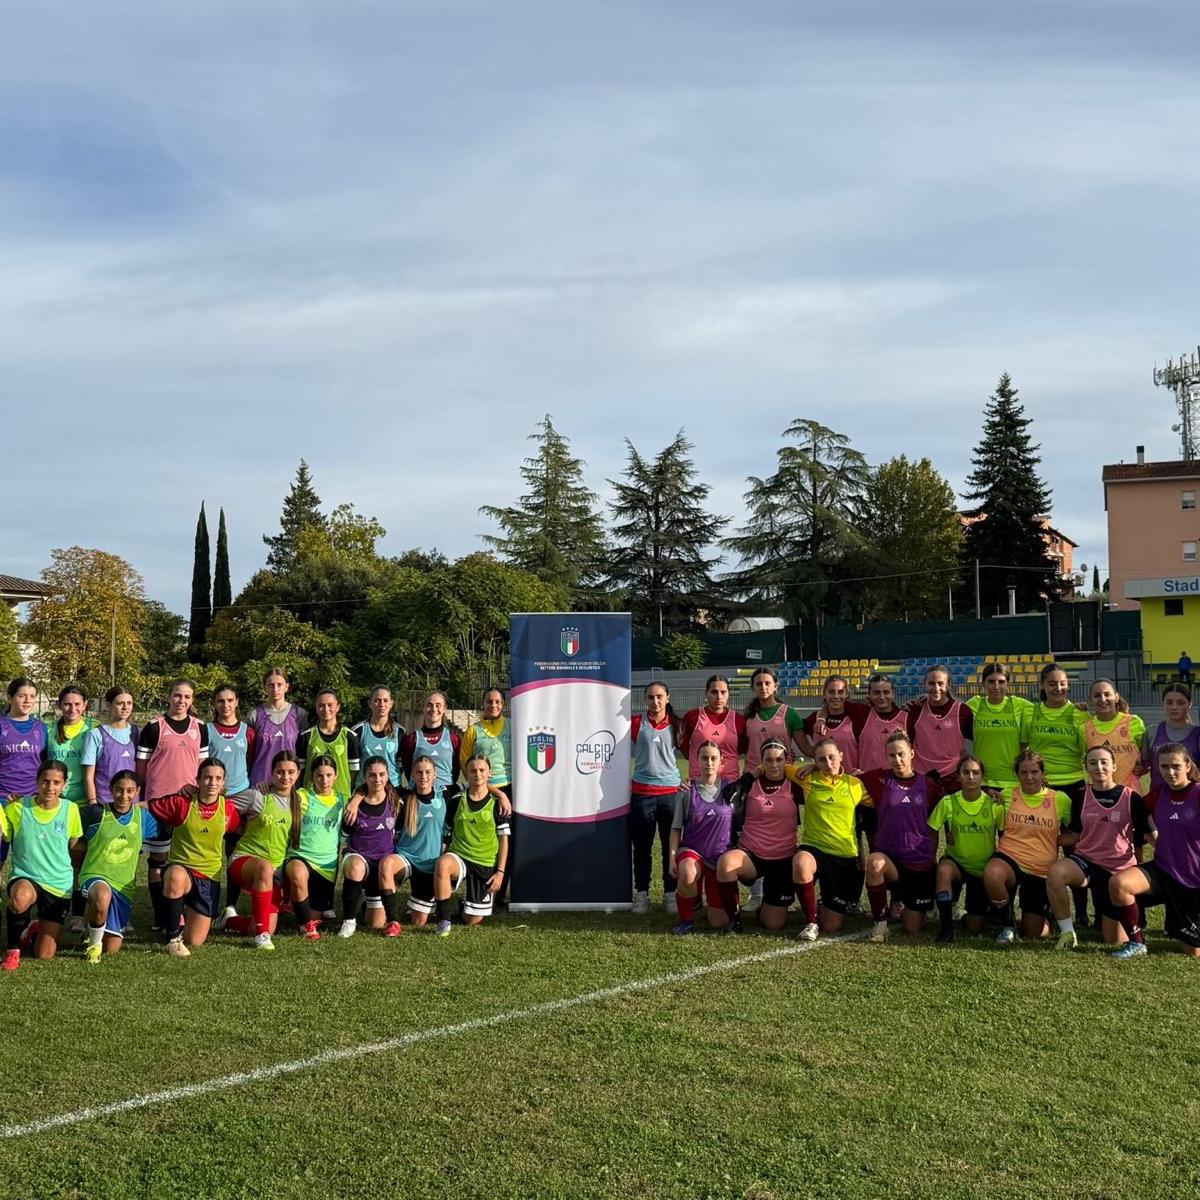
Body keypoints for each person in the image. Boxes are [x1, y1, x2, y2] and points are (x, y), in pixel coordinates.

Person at [1047, 744, 1149, 950]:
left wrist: (1138, 870)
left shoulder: (1132, 798)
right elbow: (1075, 835)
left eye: (1104, 762)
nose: (1099, 767)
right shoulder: (1080, 797)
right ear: (1086, 767)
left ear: (1114, 766)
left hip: (1118, 869)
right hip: (1087, 862)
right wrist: (1043, 837)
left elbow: (1140, 840)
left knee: (1113, 940)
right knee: (1056, 873)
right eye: (1092, 763)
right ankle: (1068, 933)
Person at [1109, 742, 1200, 959]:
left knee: (1193, 952)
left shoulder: (1197, 793)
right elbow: (1133, 812)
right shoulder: (1158, 794)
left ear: (1188, 766)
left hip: (1193, 880)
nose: (1170, 772)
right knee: (1119, 884)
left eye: (1176, 766)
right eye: (1164, 766)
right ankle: (1137, 943)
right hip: (1163, 870)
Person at [137, 678, 209, 933]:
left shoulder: (200, 727)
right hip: (158, 804)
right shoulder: (154, 726)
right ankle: (161, 916)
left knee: (186, 858)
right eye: (177, 696)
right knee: (158, 861)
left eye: (187, 697)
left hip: (187, 805)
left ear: (192, 700)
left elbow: (204, 766)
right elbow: (142, 769)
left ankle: (184, 912)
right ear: (169, 697)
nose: (182, 701)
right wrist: (148, 796)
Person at [148, 757, 240, 956]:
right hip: (182, 869)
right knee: (175, 877)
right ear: (197, 780)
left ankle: (177, 915)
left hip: (209, 877)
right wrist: (113, 808)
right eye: (207, 777)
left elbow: (239, 828)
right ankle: (173, 937)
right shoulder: (182, 803)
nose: (212, 783)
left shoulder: (229, 810)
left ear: (224, 782)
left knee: (195, 941)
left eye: (218, 778)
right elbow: (148, 806)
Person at [1022, 663, 1090, 926]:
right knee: (1043, 848)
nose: (1058, 688)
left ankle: (1082, 912)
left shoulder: (1078, 714)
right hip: (1042, 790)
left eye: (1062, 683)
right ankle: (1045, 906)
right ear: (1042, 685)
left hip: (1074, 787)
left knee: (1077, 849)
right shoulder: (1032, 712)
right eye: (1052, 683)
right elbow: (1025, 749)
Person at [861, 732, 944, 942]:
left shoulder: (928, 786)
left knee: (912, 928)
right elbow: (842, 776)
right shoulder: (879, 779)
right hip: (891, 863)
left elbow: (939, 819)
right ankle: (880, 924)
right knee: (874, 862)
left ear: (912, 754)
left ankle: (917, 903)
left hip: (919, 863)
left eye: (901, 754)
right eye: (891, 756)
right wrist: (814, 766)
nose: (897, 760)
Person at [785, 737, 871, 939]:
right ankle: (811, 922)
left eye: (832, 757)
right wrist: (811, 766)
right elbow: (769, 765)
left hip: (843, 857)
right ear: (815, 761)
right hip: (815, 848)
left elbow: (878, 803)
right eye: (822, 760)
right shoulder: (808, 778)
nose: (828, 763)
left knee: (832, 926)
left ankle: (825, 905)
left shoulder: (855, 785)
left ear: (841, 756)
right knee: (801, 862)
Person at [983, 750, 1072, 944]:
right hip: (1010, 857)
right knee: (992, 874)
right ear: (1017, 774)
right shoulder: (1007, 795)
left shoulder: (1060, 800)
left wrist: (1053, 840)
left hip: (1040, 870)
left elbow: (1075, 833)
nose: (1029, 777)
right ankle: (1007, 925)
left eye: (1034, 772)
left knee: (1033, 933)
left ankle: (1046, 915)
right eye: (1024, 772)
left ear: (1042, 773)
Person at [219, 751, 304, 951]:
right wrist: (231, 825)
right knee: (264, 867)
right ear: (272, 773)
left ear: (298, 774)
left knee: (267, 926)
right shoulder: (258, 796)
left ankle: (228, 921)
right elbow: (224, 806)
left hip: (273, 873)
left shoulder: (299, 801)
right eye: (280, 772)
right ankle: (261, 936)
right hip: (244, 861)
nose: (285, 777)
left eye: (291, 772)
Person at [1, 761, 81, 970]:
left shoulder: (71, 810)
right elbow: (5, 833)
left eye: (56, 782)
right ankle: (12, 950)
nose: (50, 787)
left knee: (44, 955)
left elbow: (72, 843)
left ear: (64, 785)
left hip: (58, 883)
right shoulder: (17, 808)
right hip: (27, 876)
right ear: (37, 782)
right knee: (20, 899)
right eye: (45, 781)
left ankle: (33, 928)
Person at [716, 740, 803, 933]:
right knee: (726, 863)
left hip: (783, 859)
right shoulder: (750, 785)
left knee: (773, 924)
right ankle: (734, 919)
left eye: (779, 760)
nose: (774, 765)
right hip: (752, 855)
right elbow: (726, 795)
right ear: (761, 762)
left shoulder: (795, 786)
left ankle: (766, 905)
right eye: (769, 760)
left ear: (786, 761)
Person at [927, 754, 1004, 942]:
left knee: (974, 927)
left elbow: (1004, 836)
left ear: (982, 777)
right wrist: (931, 857)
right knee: (943, 869)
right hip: (957, 864)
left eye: (975, 773)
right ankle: (946, 928)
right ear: (959, 776)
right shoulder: (948, 802)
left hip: (982, 869)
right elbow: (933, 830)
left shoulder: (994, 804)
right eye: (966, 772)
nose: (971, 777)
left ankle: (973, 914)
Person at [432, 754, 510, 936]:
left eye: (482, 770)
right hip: (460, 856)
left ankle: (463, 905)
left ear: (489, 772)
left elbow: (504, 842)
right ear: (466, 774)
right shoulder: (456, 799)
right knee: (443, 865)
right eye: (473, 770)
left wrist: (500, 873)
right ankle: (443, 920)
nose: (478, 774)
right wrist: (439, 860)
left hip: (484, 862)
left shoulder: (498, 804)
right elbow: (447, 834)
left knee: (472, 920)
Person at [668, 742, 739, 935]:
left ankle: (713, 902)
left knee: (718, 922)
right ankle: (686, 920)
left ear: (721, 762)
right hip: (693, 853)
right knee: (688, 872)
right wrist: (671, 858)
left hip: (720, 859)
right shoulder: (687, 790)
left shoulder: (731, 790)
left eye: (713, 758)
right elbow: (676, 828)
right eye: (704, 758)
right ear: (696, 761)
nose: (709, 762)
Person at [77, 769, 147, 962]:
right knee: (102, 896)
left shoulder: (144, 818)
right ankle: (93, 947)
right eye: (118, 790)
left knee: (112, 949)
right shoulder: (95, 813)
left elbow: (170, 823)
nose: (123, 795)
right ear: (110, 789)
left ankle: (91, 927)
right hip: (95, 875)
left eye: (129, 791)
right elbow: (68, 826)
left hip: (123, 886)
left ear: (137, 791)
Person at [629, 682, 682, 916]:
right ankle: (642, 894)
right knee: (642, 848)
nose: (655, 701)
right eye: (650, 697)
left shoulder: (678, 725)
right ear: (645, 700)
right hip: (642, 794)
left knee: (670, 848)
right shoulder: (635, 723)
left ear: (668, 698)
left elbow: (694, 752)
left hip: (671, 794)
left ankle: (671, 894)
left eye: (660, 696)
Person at [338, 756, 405, 938]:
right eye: (372, 775)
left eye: (382, 774)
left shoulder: (397, 802)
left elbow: (399, 833)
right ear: (365, 777)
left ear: (388, 775)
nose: (377, 779)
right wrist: (356, 799)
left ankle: (363, 901)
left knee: (375, 923)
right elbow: (343, 838)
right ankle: (349, 921)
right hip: (360, 858)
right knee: (356, 866)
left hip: (383, 865)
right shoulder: (353, 807)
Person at [207, 683, 257, 919]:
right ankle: (209, 904)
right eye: (220, 701)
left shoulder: (247, 731)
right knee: (210, 853)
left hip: (240, 800)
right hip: (214, 799)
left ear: (237, 702)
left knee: (234, 853)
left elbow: (251, 761)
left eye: (230, 700)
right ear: (215, 704)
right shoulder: (207, 730)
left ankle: (230, 906)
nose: (225, 705)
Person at [284, 755, 347, 941]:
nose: (324, 780)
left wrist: (358, 798)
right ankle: (307, 928)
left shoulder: (342, 801)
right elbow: (280, 796)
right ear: (312, 777)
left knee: (314, 914)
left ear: (336, 776)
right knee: (298, 873)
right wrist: (265, 786)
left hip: (326, 866)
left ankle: (300, 910)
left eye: (329, 775)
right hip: (299, 856)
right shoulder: (302, 796)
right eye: (319, 776)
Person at [460, 687, 513, 906]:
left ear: (504, 705)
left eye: (497, 702)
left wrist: (504, 794)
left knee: (506, 841)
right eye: (489, 702)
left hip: (509, 791)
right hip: (484, 791)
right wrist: (485, 789)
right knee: (485, 841)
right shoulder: (474, 730)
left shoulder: (512, 726)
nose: (493, 706)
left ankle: (499, 893)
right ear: (483, 705)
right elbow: (465, 763)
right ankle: (479, 888)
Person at [394, 756, 451, 927]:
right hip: (405, 859)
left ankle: (419, 903)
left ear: (435, 774)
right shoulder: (404, 796)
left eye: (427, 772)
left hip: (429, 864)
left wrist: (501, 795)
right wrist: (357, 800)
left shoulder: (445, 794)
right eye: (418, 772)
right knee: (386, 865)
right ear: (412, 774)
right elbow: (373, 784)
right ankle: (381, 905)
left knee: (418, 922)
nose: (423, 776)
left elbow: (476, 784)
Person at [966, 663, 1033, 795]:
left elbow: (1048, 709)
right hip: (981, 782)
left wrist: (1074, 707)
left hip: (1012, 782)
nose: (996, 686)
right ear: (983, 684)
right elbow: (951, 710)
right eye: (991, 681)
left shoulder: (1019, 705)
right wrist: (927, 701)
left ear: (1008, 684)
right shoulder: (974, 705)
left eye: (1001, 682)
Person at [908, 665, 972, 785]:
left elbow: (975, 741)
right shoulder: (914, 709)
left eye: (941, 683)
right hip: (921, 776)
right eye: (931, 683)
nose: (936, 688)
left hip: (953, 777)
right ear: (924, 683)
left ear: (948, 685)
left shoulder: (962, 711)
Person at [678, 675, 748, 785]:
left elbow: (743, 749)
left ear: (728, 694)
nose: (719, 696)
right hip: (699, 782)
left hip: (729, 784)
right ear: (706, 693)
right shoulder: (692, 717)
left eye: (723, 692)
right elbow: (684, 748)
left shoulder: (739, 720)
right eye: (714, 692)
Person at [246, 667, 308, 789]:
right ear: (265, 687)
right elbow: (247, 753)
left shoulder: (299, 714)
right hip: (260, 782)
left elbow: (304, 752)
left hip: (288, 782)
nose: (275, 689)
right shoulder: (254, 715)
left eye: (279, 685)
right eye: (271, 685)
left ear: (287, 686)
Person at [1082, 679, 1146, 789]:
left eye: (1107, 694)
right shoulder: (1084, 728)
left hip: (1129, 791)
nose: (1103, 699)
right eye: (1097, 695)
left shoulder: (1134, 722)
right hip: (1098, 791)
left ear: (1116, 697)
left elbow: (1145, 755)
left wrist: (1143, 767)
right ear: (1091, 700)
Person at [296, 690, 361, 797]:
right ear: (316, 708)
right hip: (312, 799)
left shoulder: (350, 737)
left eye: (330, 705)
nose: (326, 709)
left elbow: (354, 774)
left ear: (338, 706)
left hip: (340, 799)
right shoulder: (306, 737)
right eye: (321, 705)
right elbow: (300, 772)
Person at [82, 685, 139, 806]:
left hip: (131, 804)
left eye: (129, 703)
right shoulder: (95, 735)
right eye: (120, 703)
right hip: (105, 803)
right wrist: (93, 804)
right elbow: (88, 776)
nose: (125, 707)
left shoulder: (138, 733)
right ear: (109, 705)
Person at [44, 684, 98, 805]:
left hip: (85, 800)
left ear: (84, 705)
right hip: (57, 800)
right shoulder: (48, 729)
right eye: (67, 704)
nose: (72, 709)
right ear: (59, 705)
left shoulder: (94, 728)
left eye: (77, 704)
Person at [743, 667, 804, 770]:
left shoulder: (789, 714)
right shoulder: (747, 716)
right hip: (753, 776)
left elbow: (806, 749)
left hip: (782, 776)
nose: (763, 687)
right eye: (759, 684)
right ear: (753, 688)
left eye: (767, 683)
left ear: (775, 686)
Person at [400, 691, 462, 789]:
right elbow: (407, 768)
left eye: (438, 705)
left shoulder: (453, 739)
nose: (434, 709)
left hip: (445, 796)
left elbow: (456, 769)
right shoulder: (411, 739)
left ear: (445, 708)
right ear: (423, 708)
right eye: (429, 705)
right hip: (418, 795)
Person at [0, 677, 47, 802]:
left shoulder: (42, 728)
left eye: (32, 696)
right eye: (22, 696)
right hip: (3, 798)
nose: (27, 701)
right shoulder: (1, 725)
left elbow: (46, 764)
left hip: (33, 799)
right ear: (10, 698)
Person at [798, 674, 859, 770]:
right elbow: (795, 728)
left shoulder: (856, 717)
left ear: (846, 694)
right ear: (824, 694)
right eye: (831, 692)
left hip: (850, 781)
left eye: (840, 692)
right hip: (823, 781)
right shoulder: (814, 718)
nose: (836, 696)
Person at [1147, 684, 1200, 794]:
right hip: (1158, 799)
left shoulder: (1197, 734)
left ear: (1189, 704)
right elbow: (1142, 766)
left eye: (1180, 703)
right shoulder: (1152, 732)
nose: (1174, 707)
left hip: (1191, 801)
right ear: (1163, 704)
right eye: (1169, 702)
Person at [353, 685, 405, 788]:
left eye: (385, 700)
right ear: (370, 703)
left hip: (392, 787)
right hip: (365, 788)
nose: (382, 704)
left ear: (391, 704)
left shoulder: (400, 732)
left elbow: (402, 764)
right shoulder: (358, 731)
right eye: (377, 700)